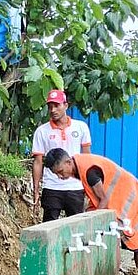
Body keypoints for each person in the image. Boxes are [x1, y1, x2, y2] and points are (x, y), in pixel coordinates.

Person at [43, 148, 138, 269]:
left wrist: (93, 220)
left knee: (119, 239)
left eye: (60, 171)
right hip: (120, 198)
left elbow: (104, 199)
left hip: (125, 200)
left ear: (68, 162)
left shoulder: (89, 172)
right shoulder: (82, 165)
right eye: (56, 174)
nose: (60, 176)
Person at [31, 89, 91, 221]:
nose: (53, 110)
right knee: (49, 226)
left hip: (75, 186)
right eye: (50, 107)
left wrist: (88, 185)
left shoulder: (81, 127)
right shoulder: (42, 131)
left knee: (77, 228)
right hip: (51, 187)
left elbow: (87, 159)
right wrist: (36, 188)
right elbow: (38, 161)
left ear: (66, 105)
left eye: (57, 106)